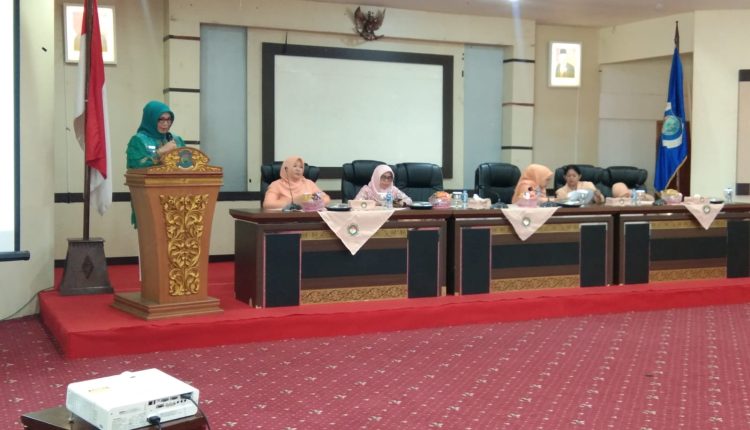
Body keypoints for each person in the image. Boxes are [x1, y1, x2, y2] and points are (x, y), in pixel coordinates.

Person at [126, 100, 186, 227]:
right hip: (149, 199)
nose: (166, 124)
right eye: (161, 120)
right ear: (150, 119)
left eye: (169, 120)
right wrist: (160, 152)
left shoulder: (176, 140)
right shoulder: (138, 140)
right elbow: (136, 165)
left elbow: (187, 165)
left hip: (177, 198)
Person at [263, 156, 331, 210]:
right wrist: (293, 202)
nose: (298, 169)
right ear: (286, 169)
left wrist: (311, 201)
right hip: (284, 219)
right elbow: (267, 204)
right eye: (295, 166)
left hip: (308, 217)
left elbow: (326, 198)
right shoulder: (276, 185)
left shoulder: (308, 183)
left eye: (301, 167)